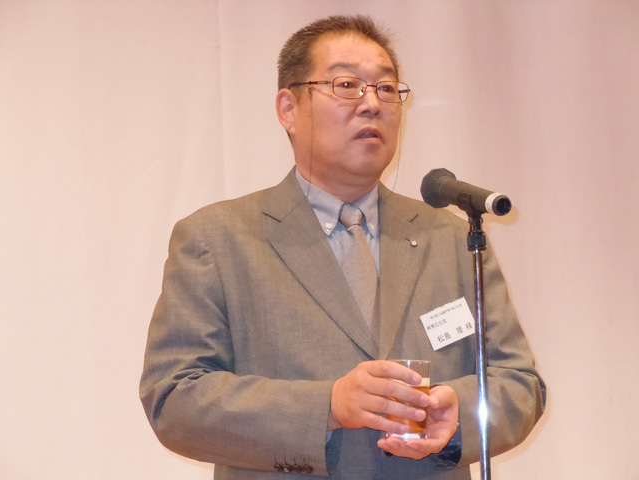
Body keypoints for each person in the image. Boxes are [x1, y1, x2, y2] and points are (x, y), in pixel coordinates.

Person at [140, 15, 545, 479]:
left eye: (386, 89)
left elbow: (520, 385)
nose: (372, 103)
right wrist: (327, 406)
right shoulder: (218, 238)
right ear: (288, 108)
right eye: (347, 85)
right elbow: (174, 398)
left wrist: (458, 416)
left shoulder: (453, 239)